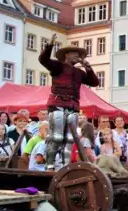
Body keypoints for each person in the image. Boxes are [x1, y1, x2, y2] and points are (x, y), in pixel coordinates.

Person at [39, 34, 99, 170]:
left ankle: (66, 167)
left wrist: (88, 68)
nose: (77, 56)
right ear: (67, 55)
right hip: (57, 104)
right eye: (74, 53)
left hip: (73, 106)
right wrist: (49, 46)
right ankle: (50, 165)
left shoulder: (79, 72)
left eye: (78, 54)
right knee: (57, 137)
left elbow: (95, 82)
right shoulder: (57, 66)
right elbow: (43, 60)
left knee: (70, 139)